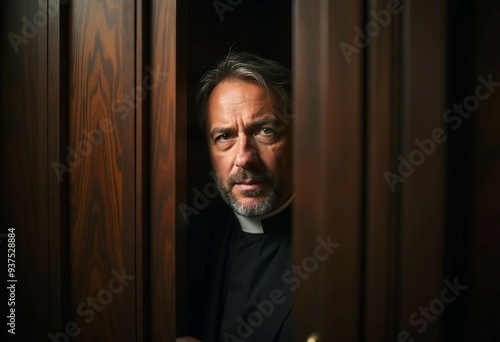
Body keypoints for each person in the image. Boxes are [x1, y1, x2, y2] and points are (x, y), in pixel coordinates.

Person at [179, 51, 293, 342]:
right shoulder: (189, 243)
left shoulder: (338, 249)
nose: (244, 157)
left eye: (264, 130)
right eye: (225, 137)